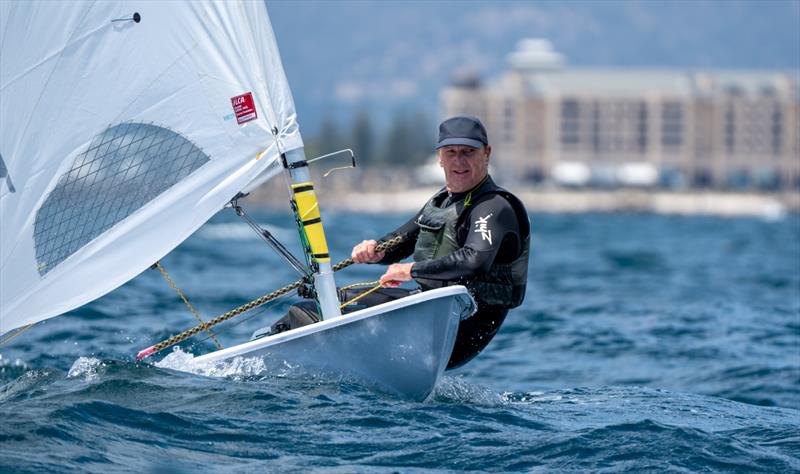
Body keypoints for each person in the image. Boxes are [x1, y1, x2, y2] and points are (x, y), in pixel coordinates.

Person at [350, 116, 530, 369]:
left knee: (348, 309)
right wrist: (375, 250)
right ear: (440, 157)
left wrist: (411, 270)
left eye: (468, 151)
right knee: (335, 301)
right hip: (427, 310)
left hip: (460, 325)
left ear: (486, 153)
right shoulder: (442, 202)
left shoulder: (493, 206)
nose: (459, 161)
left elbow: (475, 260)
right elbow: (401, 241)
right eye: (451, 152)